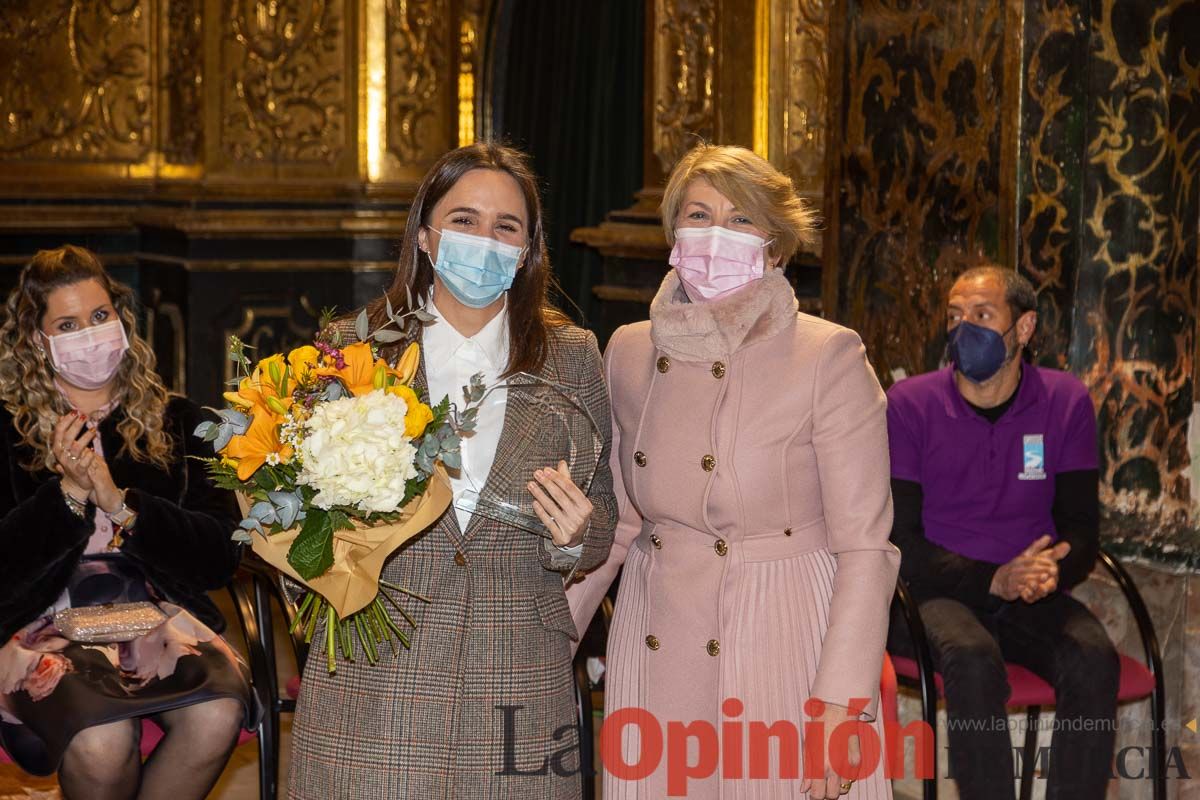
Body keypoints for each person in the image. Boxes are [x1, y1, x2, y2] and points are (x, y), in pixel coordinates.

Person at [566, 144, 899, 799]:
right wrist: (548, 637)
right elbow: (621, 522)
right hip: (656, 632)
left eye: (741, 218)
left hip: (780, 634)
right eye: (699, 214)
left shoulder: (828, 355)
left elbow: (865, 546)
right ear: (673, 236)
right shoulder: (628, 350)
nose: (716, 235)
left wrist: (840, 700)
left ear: (775, 247)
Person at [287, 142, 618, 799]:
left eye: (506, 227)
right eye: (464, 220)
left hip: (518, 673)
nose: (484, 241)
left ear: (526, 250)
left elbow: (603, 515)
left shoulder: (573, 355)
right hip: (375, 669)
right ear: (425, 234)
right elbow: (292, 514)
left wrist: (577, 534)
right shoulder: (355, 347)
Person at [0, 246, 252, 800]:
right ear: (38, 340)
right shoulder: (9, 429)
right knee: (103, 739)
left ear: (121, 318)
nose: (90, 335)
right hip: (43, 621)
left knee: (217, 713)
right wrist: (67, 494)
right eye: (68, 325)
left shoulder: (182, 423)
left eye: (99, 316)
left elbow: (219, 556)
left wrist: (121, 505)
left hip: (159, 615)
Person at [885, 265, 1117, 799]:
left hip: (1026, 594)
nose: (963, 328)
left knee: (1093, 657)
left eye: (982, 315)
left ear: (1024, 327)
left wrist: (1051, 569)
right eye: (954, 315)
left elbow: (1082, 530)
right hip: (932, 593)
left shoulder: (1065, 401)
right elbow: (901, 541)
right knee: (972, 658)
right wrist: (995, 579)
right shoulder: (910, 404)